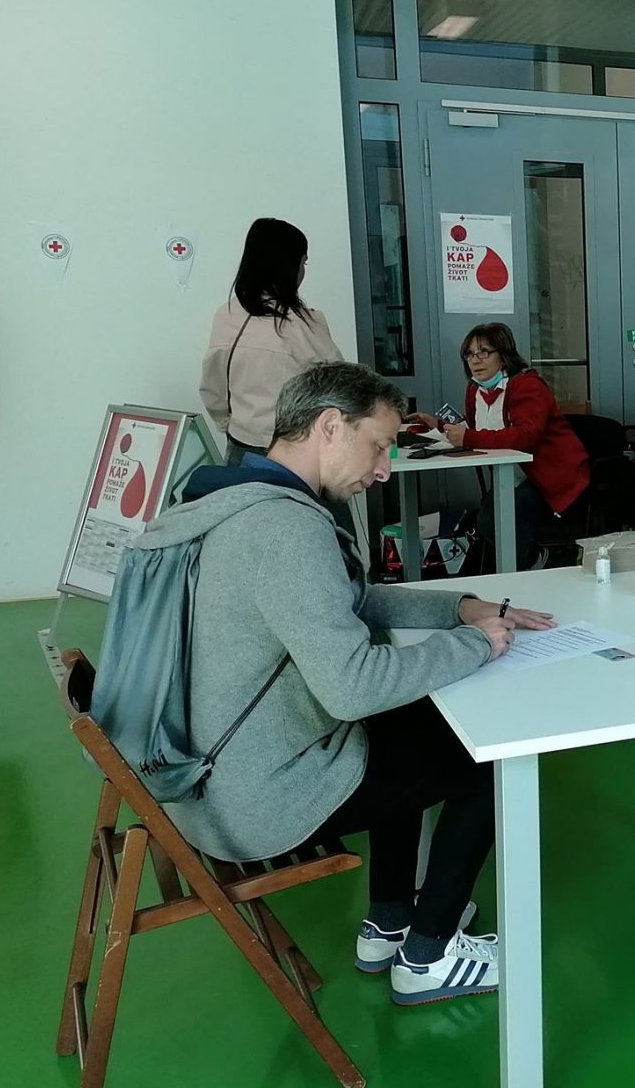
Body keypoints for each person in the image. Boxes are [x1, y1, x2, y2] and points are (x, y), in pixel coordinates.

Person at [127, 362, 554, 1005]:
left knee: (405, 723)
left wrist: (459, 607)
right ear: (330, 427)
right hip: (256, 803)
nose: (383, 469)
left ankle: (391, 921)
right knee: (486, 752)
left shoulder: (228, 498)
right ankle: (429, 955)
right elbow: (353, 689)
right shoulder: (286, 530)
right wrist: (475, 643)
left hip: (201, 782)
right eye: (379, 445)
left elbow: (344, 600)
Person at [408, 322, 591, 572]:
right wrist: (439, 425)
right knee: (489, 518)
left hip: (550, 477)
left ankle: (530, 567)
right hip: (513, 475)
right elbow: (475, 427)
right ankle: (530, 562)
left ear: (503, 355)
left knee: (494, 518)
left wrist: (469, 438)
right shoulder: (475, 389)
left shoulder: (527, 385)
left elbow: (525, 435)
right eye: (469, 354)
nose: (475, 360)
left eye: (484, 352)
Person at [200, 218, 343, 467]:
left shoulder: (227, 314)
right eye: (303, 262)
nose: (303, 271)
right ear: (287, 267)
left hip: (241, 449)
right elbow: (340, 386)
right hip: (296, 453)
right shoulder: (306, 324)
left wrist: (229, 424)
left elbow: (213, 388)